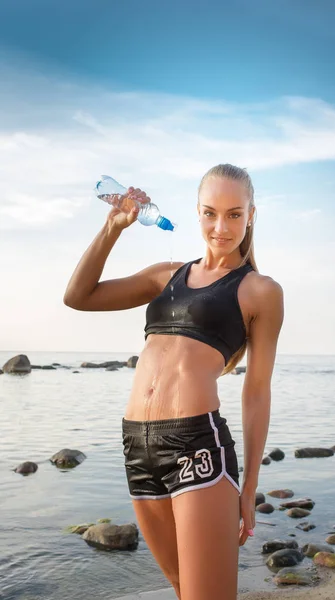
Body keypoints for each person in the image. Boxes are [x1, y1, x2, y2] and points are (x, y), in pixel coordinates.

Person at [63, 163, 284, 600]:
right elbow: (78, 296)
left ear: (251, 215)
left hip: (196, 446)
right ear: (197, 212)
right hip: (137, 446)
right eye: (210, 213)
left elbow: (256, 390)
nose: (221, 227)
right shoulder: (168, 275)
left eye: (235, 214)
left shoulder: (260, 290)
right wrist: (114, 226)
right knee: (185, 590)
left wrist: (251, 486)